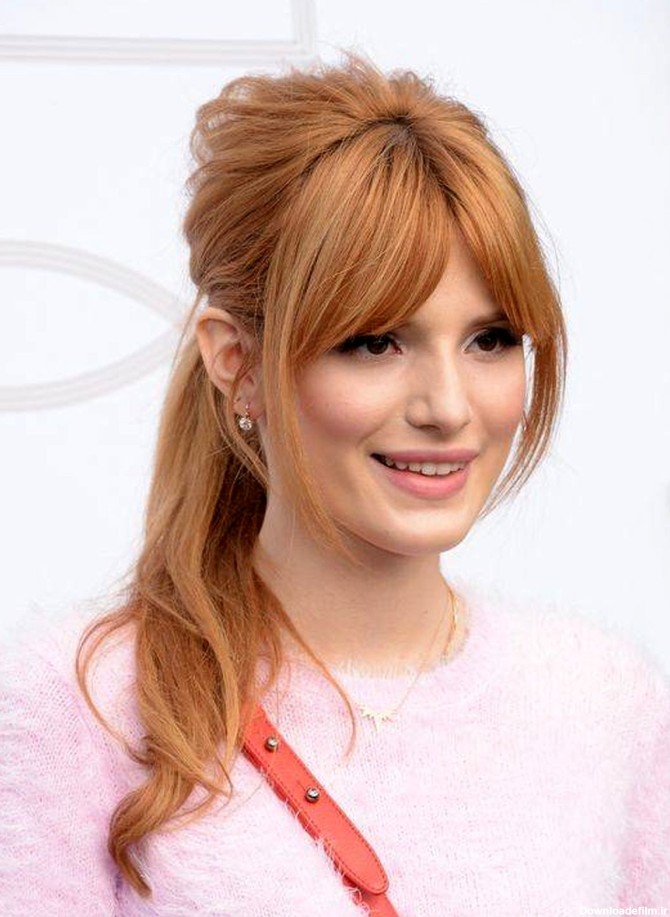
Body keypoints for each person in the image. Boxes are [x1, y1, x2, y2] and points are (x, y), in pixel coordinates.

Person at [1, 50, 669, 917]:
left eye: (492, 339)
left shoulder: (604, 704)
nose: (448, 407)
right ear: (236, 362)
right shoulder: (79, 708)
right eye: (375, 341)